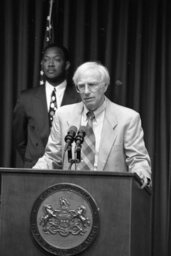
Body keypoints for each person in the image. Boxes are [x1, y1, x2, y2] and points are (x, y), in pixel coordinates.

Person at [33, 61, 151, 188]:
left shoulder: (127, 118)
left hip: (111, 194)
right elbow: (52, 157)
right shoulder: (63, 115)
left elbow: (137, 159)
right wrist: (32, 173)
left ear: (105, 86)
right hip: (71, 196)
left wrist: (141, 173)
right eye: (81, 86)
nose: (86, 91)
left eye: (92, 85)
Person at [13, 44, 81, 168]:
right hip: (34, 167)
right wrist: (32, 158)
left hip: (69, 168)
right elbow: (19, 139)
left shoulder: (79, 97)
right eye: (46, 59)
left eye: (56, 59)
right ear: (41, 64)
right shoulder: (26, 98)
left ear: (66, 65)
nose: (50, 64)